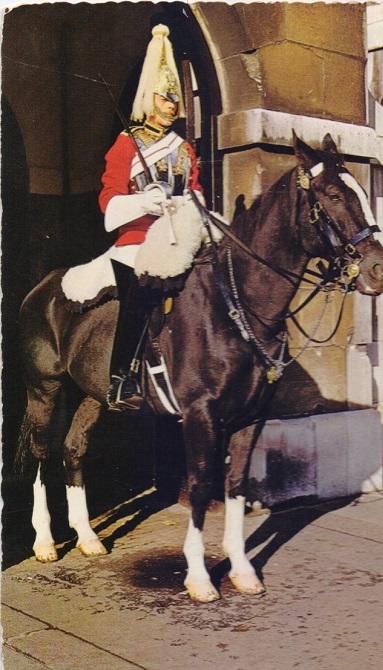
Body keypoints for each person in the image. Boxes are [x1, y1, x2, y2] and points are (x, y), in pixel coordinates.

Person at [101, 23, 202, 411]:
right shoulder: (128, 143)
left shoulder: (184, 150)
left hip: (175, 238)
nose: (172, 105)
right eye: (165, 97)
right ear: (150, 98)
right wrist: (145, 202)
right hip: (136, 241)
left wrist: (191, 209)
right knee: (139, 294)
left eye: (176, 99)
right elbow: (109, 198)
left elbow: (195, 192)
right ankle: (120, 379)